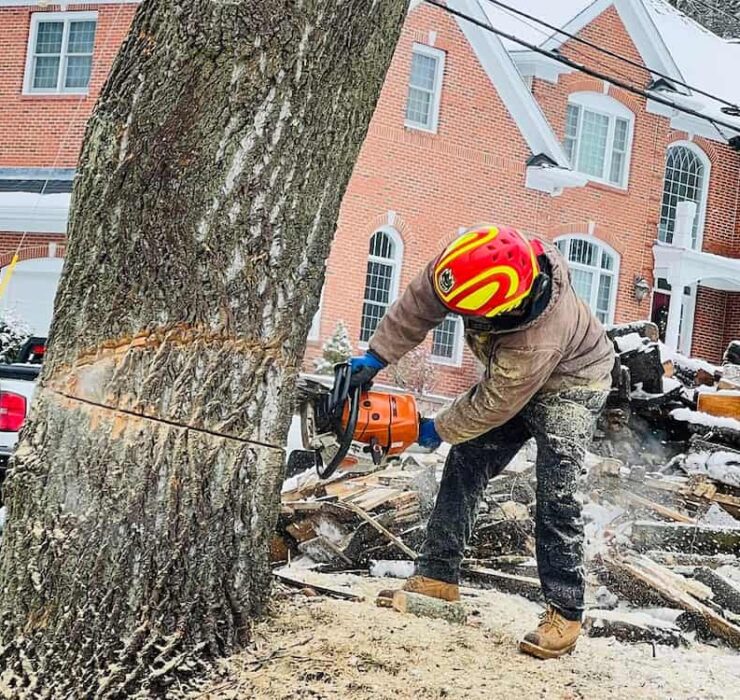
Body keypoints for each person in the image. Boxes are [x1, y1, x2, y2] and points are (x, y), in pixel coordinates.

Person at [348, 224, 615, 659]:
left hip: (573, 382)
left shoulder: (534, 339)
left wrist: (434, 429)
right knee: (467, 460)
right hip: (514, 377)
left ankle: (565, 612)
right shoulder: (471, 264)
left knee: (556, 492)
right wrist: (376, 355)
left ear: (504, 308)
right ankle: (437, 577)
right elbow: (422, 302)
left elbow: (493, 403)